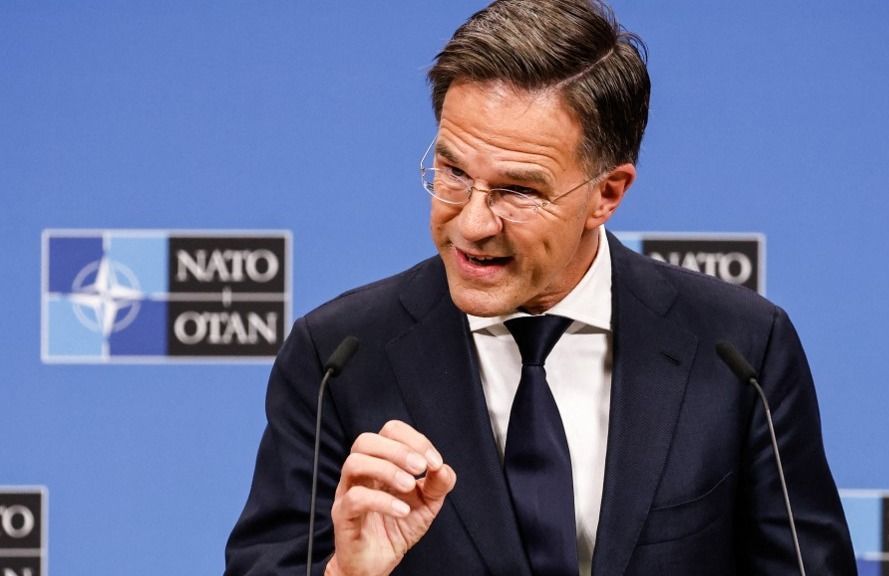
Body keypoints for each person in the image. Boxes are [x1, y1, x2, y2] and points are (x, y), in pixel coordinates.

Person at [225, 1, 857, 574]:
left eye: (518, 190)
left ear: (607, 193)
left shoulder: (740, 350)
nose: (470, 223)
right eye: (451, 171)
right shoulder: (338, 358)